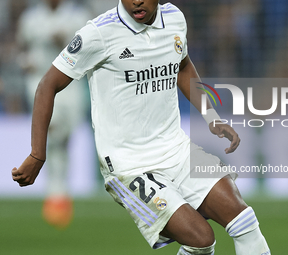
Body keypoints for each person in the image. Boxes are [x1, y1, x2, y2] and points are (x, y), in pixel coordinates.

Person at [12, 0, 271, 254]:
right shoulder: (99, 33)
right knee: (201, 240)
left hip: (176, 150)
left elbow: (182, 66)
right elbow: (47, 84)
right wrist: (37, 153)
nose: (137, 0)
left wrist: (211, 116)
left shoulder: (174, 19)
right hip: (129, 166)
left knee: (245, 221)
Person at [16, 0, 91, 228]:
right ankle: (55, 194)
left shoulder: (78, 16)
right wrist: (24, 62)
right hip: (39, 81)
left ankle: (60, 192)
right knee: (53, 130)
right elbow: (22, 47)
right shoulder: (30, 18)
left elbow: (88, 49)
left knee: (64, 140)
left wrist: (64, 41)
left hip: (71, 84)